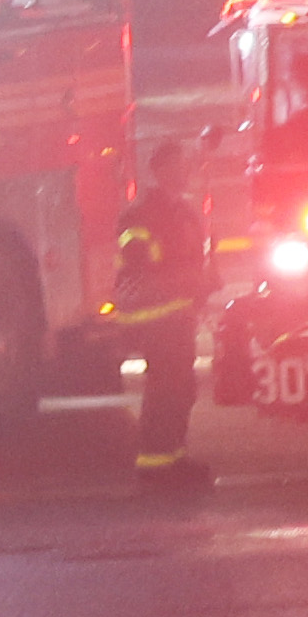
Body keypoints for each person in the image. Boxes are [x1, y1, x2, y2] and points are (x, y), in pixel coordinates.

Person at [107, 139, 213, 491]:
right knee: (165, 389)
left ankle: (174, 457)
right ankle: (153, 465)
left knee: (182, 389)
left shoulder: (184, 212)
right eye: (180, 164)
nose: (187, 171)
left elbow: (194, 259)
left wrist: (205, 283)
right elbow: (140, 267)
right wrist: (189, 280)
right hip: (154, 317)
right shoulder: (140, 215)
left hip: (179, 315)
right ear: (163, 170)